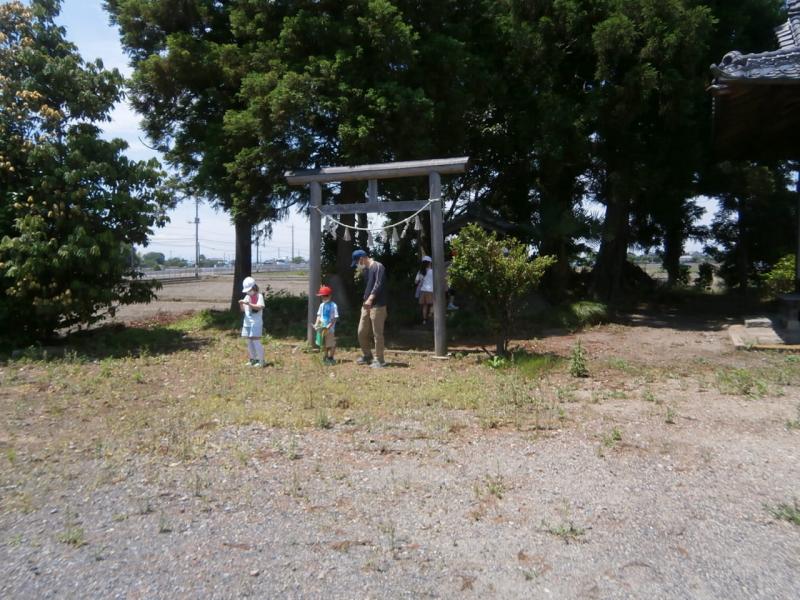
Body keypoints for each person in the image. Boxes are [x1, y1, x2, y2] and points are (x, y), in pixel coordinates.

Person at [351, 248, 387, 368]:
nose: (357, 265)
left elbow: (378, 283)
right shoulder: (366, 270)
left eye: (357, 262)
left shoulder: (378, 266)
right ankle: (367, 355)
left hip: (378, 305)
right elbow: (369, 285)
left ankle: (380, 359)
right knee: (361, 331)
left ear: (361, 259)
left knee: (377, 333)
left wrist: (371, 298)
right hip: (366, 305)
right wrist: (366, 298)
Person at [238, 276, 266, 367]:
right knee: (249, 341)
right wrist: (241, 304)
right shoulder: (247, 296)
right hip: (247, 322)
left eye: (249, 290)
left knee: (256, 341)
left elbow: (260, 307)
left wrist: (249, 304)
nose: (248, 292)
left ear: (254, 288)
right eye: (247, 290)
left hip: (256, 322)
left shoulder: (259, 296)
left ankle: (261, 361)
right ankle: (253, 359)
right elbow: (243, 310)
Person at [313, 285, 338, 365]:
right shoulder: (321, 305)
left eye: (326, 296)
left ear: (330, 296)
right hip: (322, 327)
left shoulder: (334, 305)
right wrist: (316, 324)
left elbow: (335, 317)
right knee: (323, 343)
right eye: (322, 296)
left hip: (330, 329)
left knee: (331, 343)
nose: (324, 298)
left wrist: (329, 326)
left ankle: (331, 357)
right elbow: (319, 315)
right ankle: (326, 356)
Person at [414, 255, 434, 324]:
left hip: (422, 291)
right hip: (431, 291)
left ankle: (424, 320)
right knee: (432, 304)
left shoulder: (420, 271)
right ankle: (430, 314)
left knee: (424, 306)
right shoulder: (433, 272)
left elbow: (416, 282)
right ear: (430, 263)